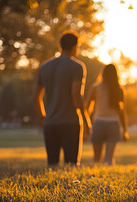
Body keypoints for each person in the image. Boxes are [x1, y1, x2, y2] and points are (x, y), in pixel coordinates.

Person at [34, 30, 91, 169]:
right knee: (71, 165)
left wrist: (42, 117)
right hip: (70, 122)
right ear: (74, 46)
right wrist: (85, 119)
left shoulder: (45, 67)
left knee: (52, 165)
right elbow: (76, 96)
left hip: (50, 123)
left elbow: (37, 96)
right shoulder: (77, 67)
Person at [85, 64, 129, 166]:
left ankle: (95, 176)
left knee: (96, 158)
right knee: (109, 159)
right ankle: (108, 172)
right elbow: (122, 112)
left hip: (99, 123)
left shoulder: (95, 87)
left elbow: (87, 108)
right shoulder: (119, 89)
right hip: (113, 124)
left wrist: (86, 123)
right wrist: (125, 130)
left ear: (103, 73)